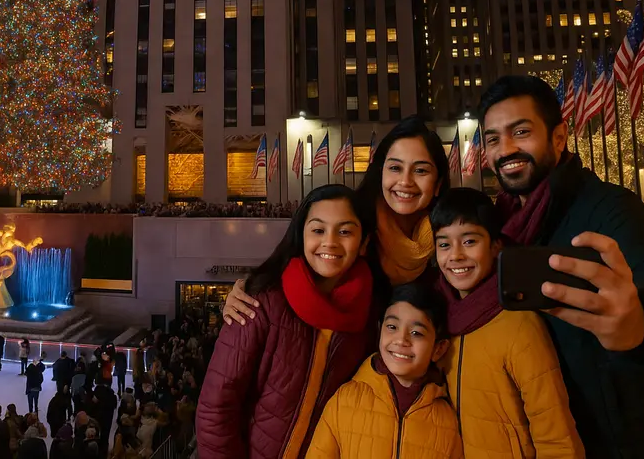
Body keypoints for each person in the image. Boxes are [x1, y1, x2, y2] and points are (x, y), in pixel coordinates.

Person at [473, 75, 644, 458]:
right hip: (536, 435)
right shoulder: (499, 226)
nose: (505, 149)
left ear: (558, 138)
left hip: (607, 438)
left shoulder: (609, 207)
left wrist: (642, 321)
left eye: (520, 131)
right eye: (493, 139)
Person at [196, 184, 378, 459]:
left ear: (364, 242)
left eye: (345, 231)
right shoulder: (260, 303)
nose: (330, 242)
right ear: (301, 235)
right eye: (318, 230)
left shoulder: (369, 319)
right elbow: (216, 409)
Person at [221, 116, 450, 324]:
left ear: (438, 184)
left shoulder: (450, 240)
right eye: (395, 168)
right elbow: (290, 269)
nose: (405, 181)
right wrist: (245, 291)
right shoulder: (351, 220)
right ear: (380, 172)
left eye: (420, 171)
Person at [428, 188, 582, 456]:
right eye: (444, 244)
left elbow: (555, 434)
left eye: (469, 242)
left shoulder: (519, 323)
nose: (455, 256)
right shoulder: (437, 319)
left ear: (496, 246)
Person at [305, 282, 464, 458]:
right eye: (392, 327)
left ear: (438, 349)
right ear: (380, 330)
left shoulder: (447, 422)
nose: (401, 340)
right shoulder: (344, 400)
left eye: (416, 333)